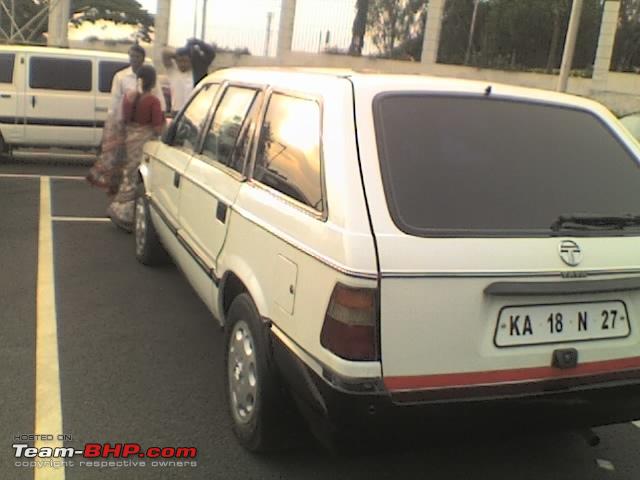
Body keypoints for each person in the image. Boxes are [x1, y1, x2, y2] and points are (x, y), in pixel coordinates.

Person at [86, 44, 165, 195]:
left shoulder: (146, 89)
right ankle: (126, 191)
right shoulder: (121, 77)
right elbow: (115, 103)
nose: (134, 59)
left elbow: (160, 103)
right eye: (132, 56)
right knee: (123, 160)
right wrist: (114, 125)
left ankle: (126, 190)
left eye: (137, 57)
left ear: (143, 58)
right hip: (128, 126)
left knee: (131, 163)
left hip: (135, 126)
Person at [107, 65, 165, 232]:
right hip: (144, 141)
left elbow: (123, 118)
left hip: (129, 138)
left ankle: (120, 207)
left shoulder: (129, 97)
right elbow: (157, 127)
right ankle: (124, 214)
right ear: (153, 82)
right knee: (137, 176)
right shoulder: (153, 101)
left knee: (128, 173)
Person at [162, 46, 195, 114]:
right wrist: (178, 54)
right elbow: (164, 53)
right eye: (180, 61)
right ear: (176, 61)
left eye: (185, 61)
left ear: (191, 61)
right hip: (176, 113)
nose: (182, 64)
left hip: (192, 113)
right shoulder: (173, 71)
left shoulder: (195, 74)